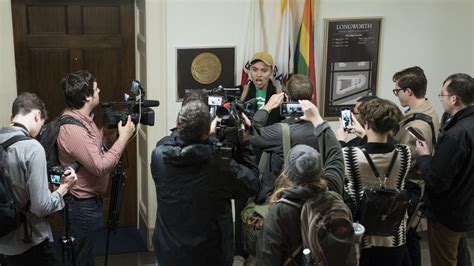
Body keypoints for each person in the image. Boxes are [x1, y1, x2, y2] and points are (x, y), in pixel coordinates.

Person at [151, 100, 258, 266]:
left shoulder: (159, 156)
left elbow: (173, 143)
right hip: (209, 255)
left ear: (178, 125)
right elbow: (251, 184)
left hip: (169, 252)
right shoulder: (218, 163)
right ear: (207, 132)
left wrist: (208, 138)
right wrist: (244, 144)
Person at [56, 70, 135, 265]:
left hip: (89, 202)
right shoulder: (73, 130)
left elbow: (95, 151)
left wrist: (116, 138)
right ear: (87, 96)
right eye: (96, 88)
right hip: (79, 205)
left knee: (86, 253)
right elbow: (100, 166)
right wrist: (123, 140)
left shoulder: (86, 120)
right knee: (81, 258)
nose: (99, 90)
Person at [256, 100, 345, 265]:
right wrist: (318, 120)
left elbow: (267, 258)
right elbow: (335, 155)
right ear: (321, 170)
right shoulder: (332, 192)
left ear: (287, 173)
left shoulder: (281, 210)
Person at [0, 92, 77, 265]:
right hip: (29, 241)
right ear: (37, 115)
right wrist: (63, 188)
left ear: (13, 116)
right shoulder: (32, 148)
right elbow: (40, 207)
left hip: (3, 241)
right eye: (42, 126)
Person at [249, 74, 344, 204]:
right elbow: (335, 156)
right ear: (312, 97)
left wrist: (268, 107)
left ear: (286, 97)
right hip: (316, 202)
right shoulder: (325, 133)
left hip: (282, 202)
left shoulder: (280, 131)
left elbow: (251, 133)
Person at [343, 98, 411, 266]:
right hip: (394, 234)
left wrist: (341, 140)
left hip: (363, 235)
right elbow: (385, 147)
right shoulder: (404, 153)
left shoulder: (350, 154)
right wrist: (366, 133)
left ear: (366, 123)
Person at [415, 73, 474, 266]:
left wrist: (424, 156)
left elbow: (436, 181)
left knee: (444, 260)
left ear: (454, 99)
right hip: (465, 207)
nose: (441, 99)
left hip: (447, 214)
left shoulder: (456, 135)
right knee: (461, 256)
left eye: (442, 95)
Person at [391, 66, 440, 266]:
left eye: (397, 91)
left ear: (408, 91)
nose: (397, 95)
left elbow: (404, 162)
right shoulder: (427, 110)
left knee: (406, 239)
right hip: (416, 187)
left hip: (411, 188)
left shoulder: (416, 126)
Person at [240, 52, 282, 126]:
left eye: (264, 71)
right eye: (255, 70)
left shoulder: (279, 95)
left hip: (270, 136)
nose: (258, 75)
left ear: (271, 72)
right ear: (250, 70)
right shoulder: (241, 92)